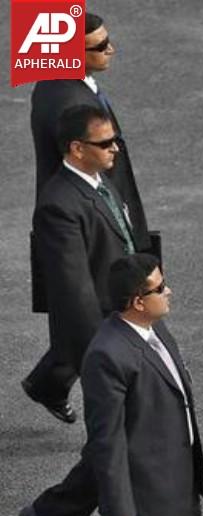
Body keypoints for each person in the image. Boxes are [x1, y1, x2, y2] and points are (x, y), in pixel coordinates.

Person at [31, 255, 203, 516]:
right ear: (138, 302)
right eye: (160, 288)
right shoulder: (107, 354)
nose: (168, 290)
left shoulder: (156, 329)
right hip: (148, 504)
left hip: (181, 489)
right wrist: (120, 513)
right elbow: (106, 441)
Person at [22, 103, 137, 427]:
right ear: (77, 148)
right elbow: (74, 289)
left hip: (123, 308)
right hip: (106, 324)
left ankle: (47, 385)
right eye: (105, 143)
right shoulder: (59, 205)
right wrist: (100, 352)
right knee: (115, 427)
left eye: (115, 139)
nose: (115, 148)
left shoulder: (98, 178)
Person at [30, 12, 150, 245]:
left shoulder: (51, 83)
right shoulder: (74, 103)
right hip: (95, 225)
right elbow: (89, 167)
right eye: (101, 46)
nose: (111, 50)